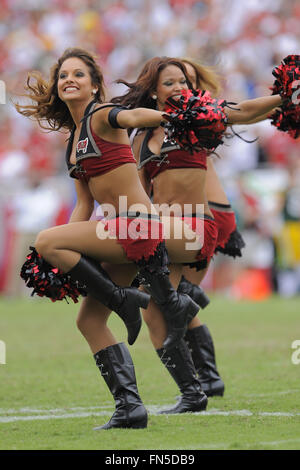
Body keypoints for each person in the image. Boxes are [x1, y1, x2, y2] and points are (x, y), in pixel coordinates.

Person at [15, 48, 203, 430]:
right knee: (88, 321)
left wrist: (173, 115)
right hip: (118, 234)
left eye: (78, 75)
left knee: (45, 239)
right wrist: (64, 261)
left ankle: (124, 301)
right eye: (63, 75)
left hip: (138, 227)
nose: (69, 80)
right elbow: (84, 207)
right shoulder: (73, 143)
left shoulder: (101, 115)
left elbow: (133, 115)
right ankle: (130, 409)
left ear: (95, 84)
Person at [114, 56, 283, 413]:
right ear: (154, 91)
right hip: (162, 230)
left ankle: (187, 309)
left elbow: (246, 111)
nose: (179, 88)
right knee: (153, 310)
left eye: (183, 82)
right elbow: (139, 193)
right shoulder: (141, 137)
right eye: (170, 83)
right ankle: (194, 391)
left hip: (192, 228)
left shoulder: (198, 118)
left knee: (160, 295)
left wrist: (287, 96)